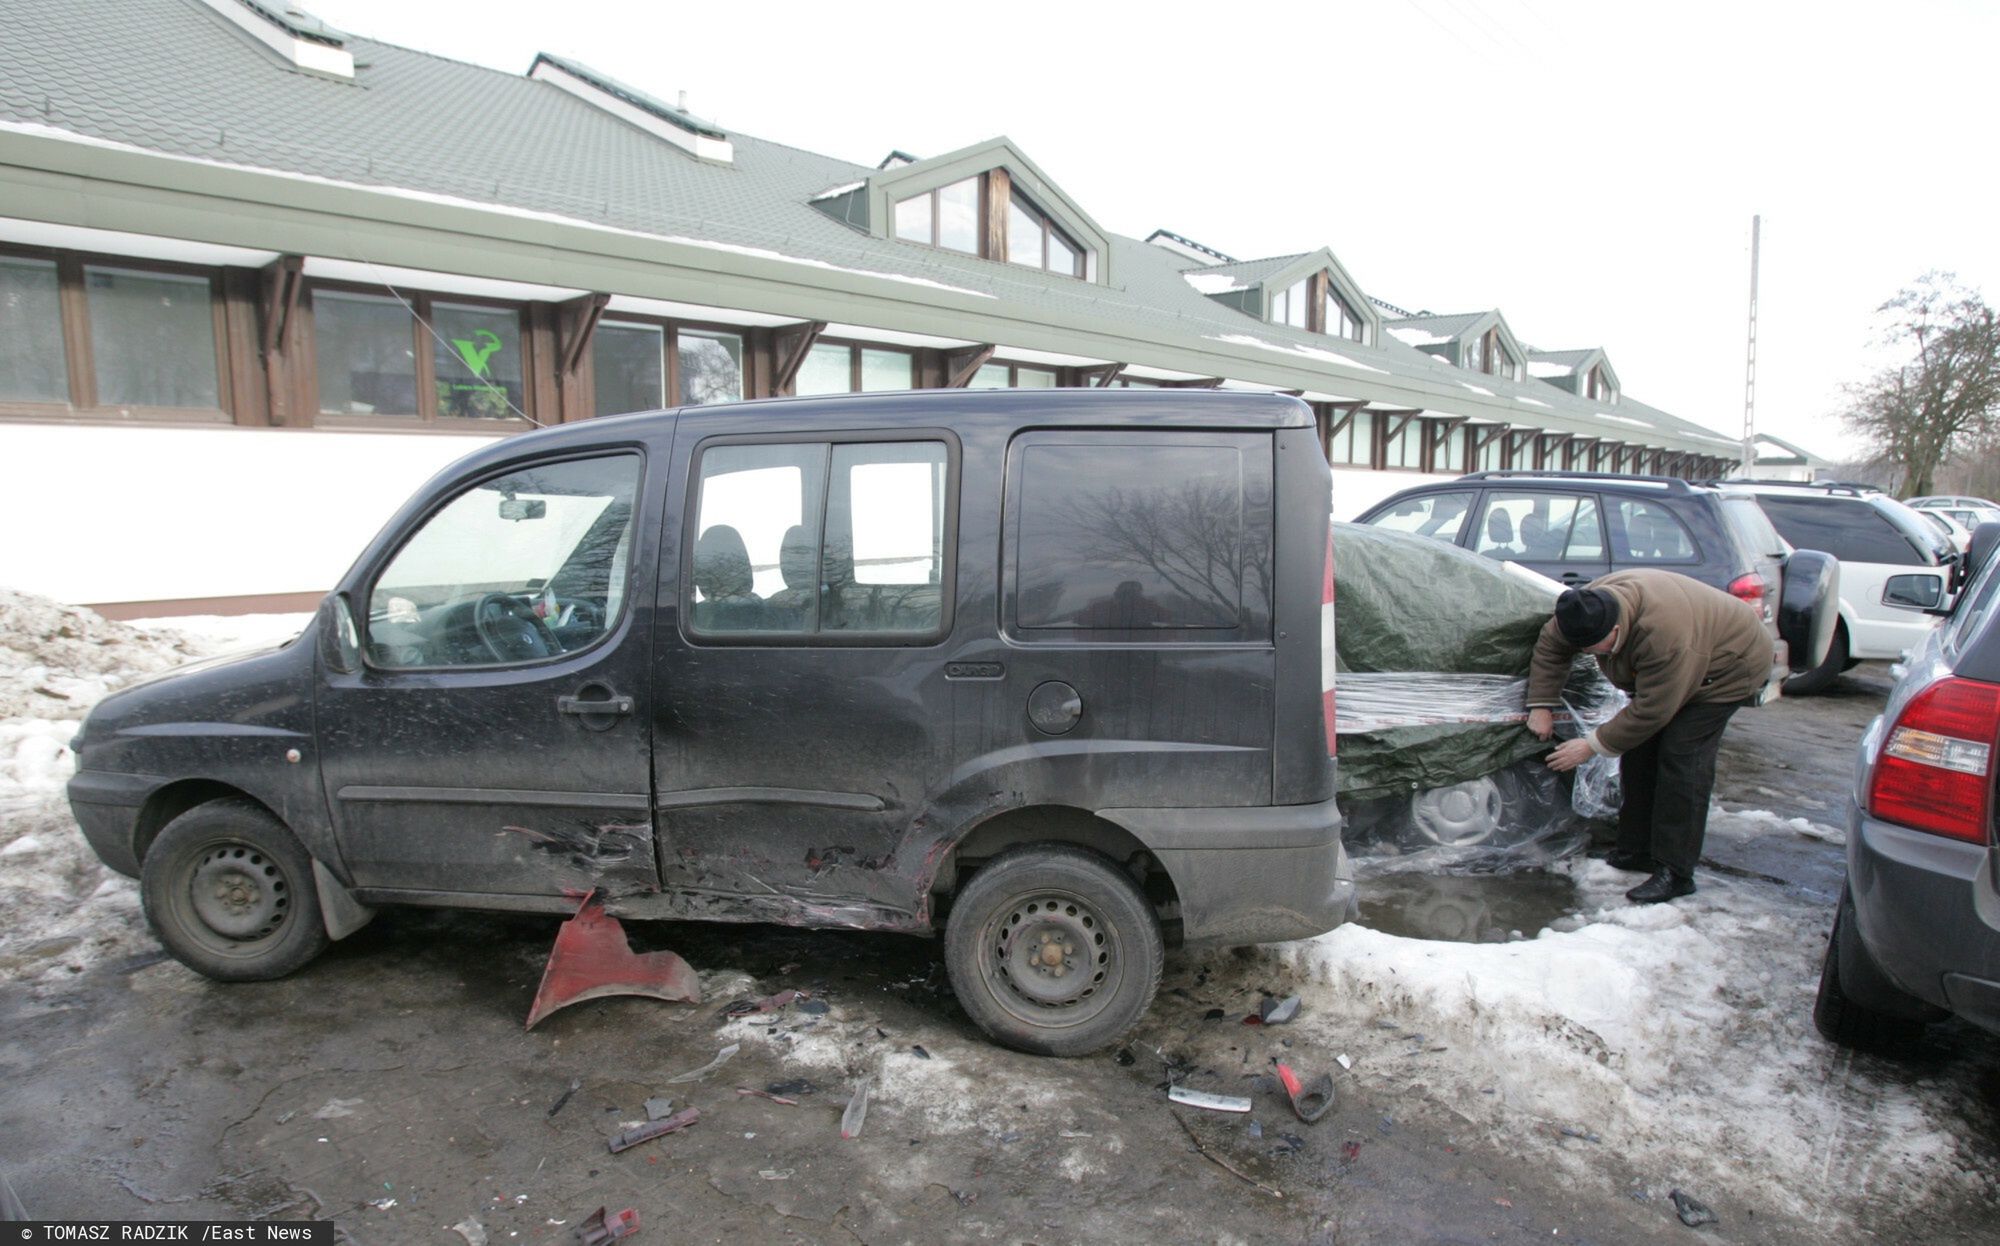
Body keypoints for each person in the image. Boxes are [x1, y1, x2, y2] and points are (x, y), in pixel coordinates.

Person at [1524, 569, 1769, 904]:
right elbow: (1552, 647)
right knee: (1637, 752)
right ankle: (1635, 850)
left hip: (1726, 668)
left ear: (1616, 628)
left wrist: (1592, 745)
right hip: (1679, 663)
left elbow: (1653, 709)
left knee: (1682, 759)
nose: (1590, 654)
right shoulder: (1581, 610)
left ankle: (1675, 871)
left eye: (1596, 648)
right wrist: (1541, 704)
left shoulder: (1664, 635)